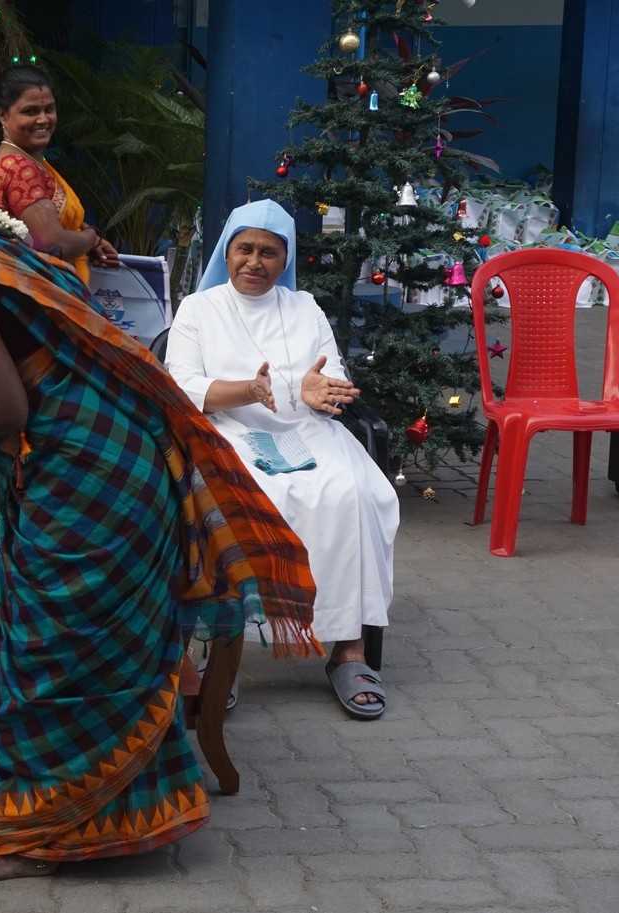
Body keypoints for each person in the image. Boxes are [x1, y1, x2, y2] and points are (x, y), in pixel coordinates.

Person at [0, 142, 320, 884]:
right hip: (114, 460)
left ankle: (35, 838)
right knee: (97, 647)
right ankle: (111, 819)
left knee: (51, 652)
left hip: (87, 477)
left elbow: (1, 405)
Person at [163, 200, 399, 721]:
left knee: (353, 493)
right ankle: (223, 655)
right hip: (227, 431)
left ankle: (349, 649)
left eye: (268, 252)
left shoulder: (304, 307)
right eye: (244, 249)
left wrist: (320, 391)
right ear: (227, 253)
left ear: (285, 258)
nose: (255, 261)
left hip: (307, 431)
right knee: (240, 495)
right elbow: (182, 387)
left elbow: (330, 376)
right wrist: (248, 390)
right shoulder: (198, 309)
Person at [0, 65, 119, 283]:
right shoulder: (19, 168)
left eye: (49, 109)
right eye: (30, 111)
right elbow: (54, 245)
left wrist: (80, 236)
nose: (43, 119)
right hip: (38, 293)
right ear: (3, 115)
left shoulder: (20, 159)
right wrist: (92, 237)